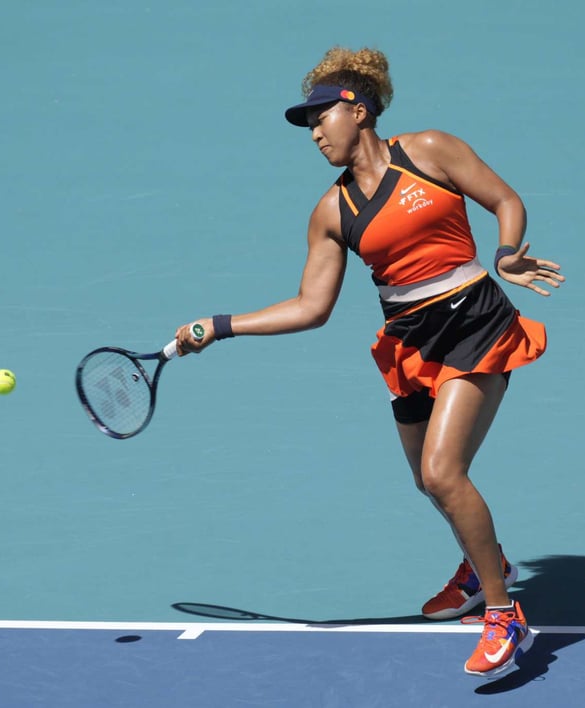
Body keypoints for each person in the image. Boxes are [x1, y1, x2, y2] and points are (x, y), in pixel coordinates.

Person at [175, 46, 564, 678]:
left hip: (474, 323)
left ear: (357, 109)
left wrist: (508, 253)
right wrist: (220, 326)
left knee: (443, 473)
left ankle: (503, 614)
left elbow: (506, 200)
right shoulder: (331, 212)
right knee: (428, 481)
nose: (314, 133)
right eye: (308, 125)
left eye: (320, 117)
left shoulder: (430, 151)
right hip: (409, 343)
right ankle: (484, 563)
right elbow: (311, 306)